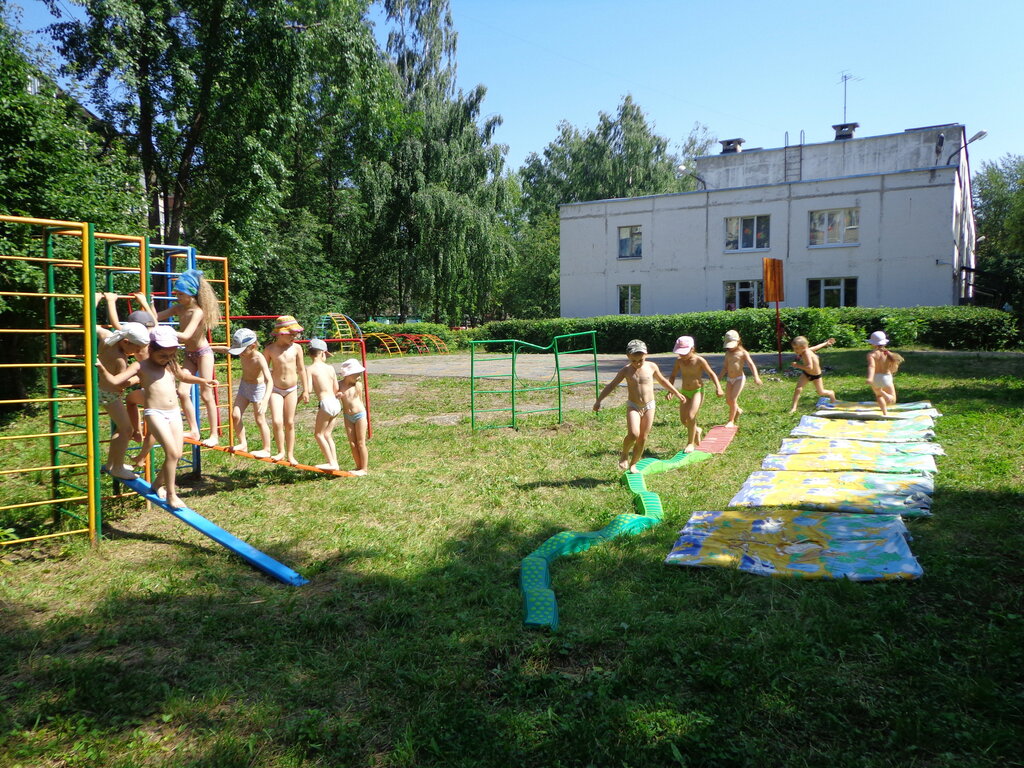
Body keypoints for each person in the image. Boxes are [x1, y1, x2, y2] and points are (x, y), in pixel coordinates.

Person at [97, 326, 217, 508]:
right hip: (155, 414)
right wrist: (100, 367)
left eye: (171, 355)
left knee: (176, 454)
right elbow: (115, 381)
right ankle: (171, 495)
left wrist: (203, 380)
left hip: (174, 412)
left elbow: (183, 376)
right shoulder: (140, 365)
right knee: (172, 453)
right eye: (163, 356)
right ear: (151, 350)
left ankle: (157, 485)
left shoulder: (170, 364)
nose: (167, 359)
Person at [140, 270, 222, 446]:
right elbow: (155, 319)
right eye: (176, 293)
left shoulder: (197, 312)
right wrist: (150, 304)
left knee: (206, 393)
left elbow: (185, 335)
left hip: (203, 353)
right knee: (183, 392)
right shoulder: (179, 308)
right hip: (189, 354)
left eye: (180, 294)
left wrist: (165, 331)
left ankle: (214, 434)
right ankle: (194, 430)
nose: (177, 297)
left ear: (191, 294)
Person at [593, 339, 685, 472]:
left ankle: (633, 464)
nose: (637, 363)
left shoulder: (651, 367)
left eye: (640, 360)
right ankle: (624, 454)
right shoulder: (626, 370)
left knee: (642, 437)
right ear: (628, 357)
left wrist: (675, 392)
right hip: (633, 406)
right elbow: (612, 385)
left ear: (646, 355)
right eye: (633, 361)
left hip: (649, 406)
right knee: (634, 434)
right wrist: (599, 400)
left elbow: (663, 381)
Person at [95, 306, 150, 479]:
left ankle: (112, 463)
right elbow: (120, 385)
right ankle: (117, 467)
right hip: (109, 395)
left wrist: (95, 301)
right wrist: (137, 379)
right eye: (137, 348)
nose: (138, 352)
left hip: (102, 390)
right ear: (126, 342)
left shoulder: (107, 338)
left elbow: (93, 326)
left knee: (122, 428)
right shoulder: (121, 360)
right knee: (127, 429)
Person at [211, 328, 273, 457]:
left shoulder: (259, 358)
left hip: (258, 389)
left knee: (260, 419)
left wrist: (265, 401)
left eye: (243, 351)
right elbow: (225, 349)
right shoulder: (242, 352)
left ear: (253, 346)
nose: (240, 354)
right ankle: (243, 444)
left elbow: (270, 380)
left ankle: (266, 449)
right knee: (235, 415)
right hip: (244, 386)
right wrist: (209, 348)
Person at [667, 335, 724, 452]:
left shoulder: (699, 360)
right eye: (680, 353)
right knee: (684, 420)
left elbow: (711, 374)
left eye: (684, 353)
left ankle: (690, 443)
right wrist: (671, 390)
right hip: (685, 392)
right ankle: (696, 430)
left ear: (692, 349)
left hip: (697, 391)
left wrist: (718, 387)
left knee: (691, 416)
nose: (682, 356)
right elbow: (672, 376)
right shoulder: (679, 361)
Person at [264, 315, 309, 464]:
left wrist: (306, 390)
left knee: (289, 422)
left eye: (295, 334)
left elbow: (302, 369)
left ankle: (290, 454)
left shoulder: (296, 348)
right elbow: (263, 370)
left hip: (291, 389)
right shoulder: (270, 349)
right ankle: (280, 451)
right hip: (275, 389)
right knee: (277, 421)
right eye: (291, 334)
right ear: (281, 333)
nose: (294, 337)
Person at [306, 338, 342, 470]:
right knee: (327, 434)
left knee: (319, 434)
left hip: (325, 403)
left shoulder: (310, 369)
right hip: (336, 403)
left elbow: (308, 390)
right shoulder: (330, 368)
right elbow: (336, 388)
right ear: (322, 353)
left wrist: (301, 396)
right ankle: (335, 463)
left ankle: (331, 463)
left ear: (310, 354)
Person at [719, 329, 763, 427]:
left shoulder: (743, 353)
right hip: (729, 379)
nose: (730, 348)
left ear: (738, 341)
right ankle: (738, 410)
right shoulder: (727, 354)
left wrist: (756, 377)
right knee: (728, 400)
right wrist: (718, 380)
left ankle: (731, 421)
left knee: (733, 399)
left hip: (739, 378)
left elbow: (751, 364)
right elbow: (725, 368)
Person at [788, 335, 837, 413]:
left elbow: (809, 367)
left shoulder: (807, 353)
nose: (795, 350)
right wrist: (825, 343)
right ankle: (794, 408)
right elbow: (817, 347)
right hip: (806, 374)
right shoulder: (807, 350)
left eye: (796, 348)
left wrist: (797, 366)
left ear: (803, 347)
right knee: (798, 389)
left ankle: (831, 393)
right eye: (794, 348)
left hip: (816, 375)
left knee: (821, 392)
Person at [338, 357, 369, 476]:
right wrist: (338, 395)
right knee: (352, 443)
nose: (358, 377)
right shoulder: (339, 385)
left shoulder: (358, 385)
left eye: (359, 374)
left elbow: (360, 400)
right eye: (356, 374)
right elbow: (334, 396)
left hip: (360, 415)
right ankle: (358, 466)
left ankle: (364, 468)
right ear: (347, 374)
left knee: (361, 442)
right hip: (347, 416)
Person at [865, 330, 904, 416]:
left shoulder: (871, 355)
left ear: (872, 344)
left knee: (879, 396)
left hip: (875, 378)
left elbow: (872, 366)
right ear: (884, 343)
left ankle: (884, 412)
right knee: (892, 399)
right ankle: (884, 394)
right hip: (886, 377)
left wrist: (870, 378)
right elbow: (894, 363)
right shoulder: (887, 353)